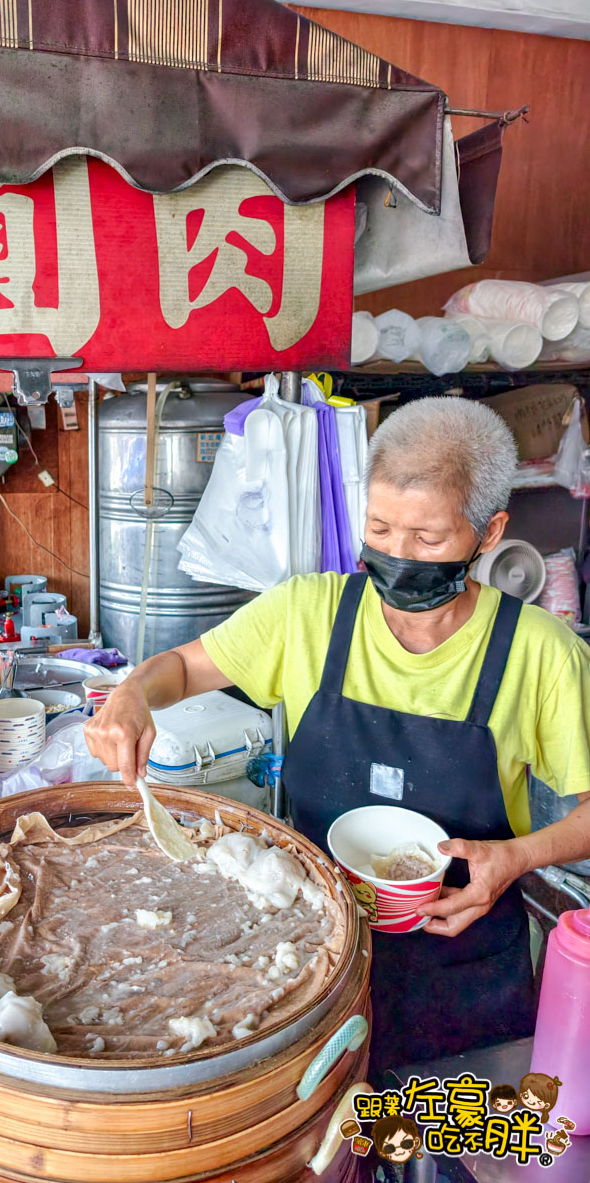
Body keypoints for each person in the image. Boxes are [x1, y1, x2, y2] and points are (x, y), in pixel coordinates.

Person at [85, 396, 590, 1080]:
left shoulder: (540, 651)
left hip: (465, 972)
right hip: (313, 960)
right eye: (379, 527)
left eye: (429, 539)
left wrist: (519, 857)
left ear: (489, 531)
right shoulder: (308, 613)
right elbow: (178, 668)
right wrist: (132, 694)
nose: (396, 555)